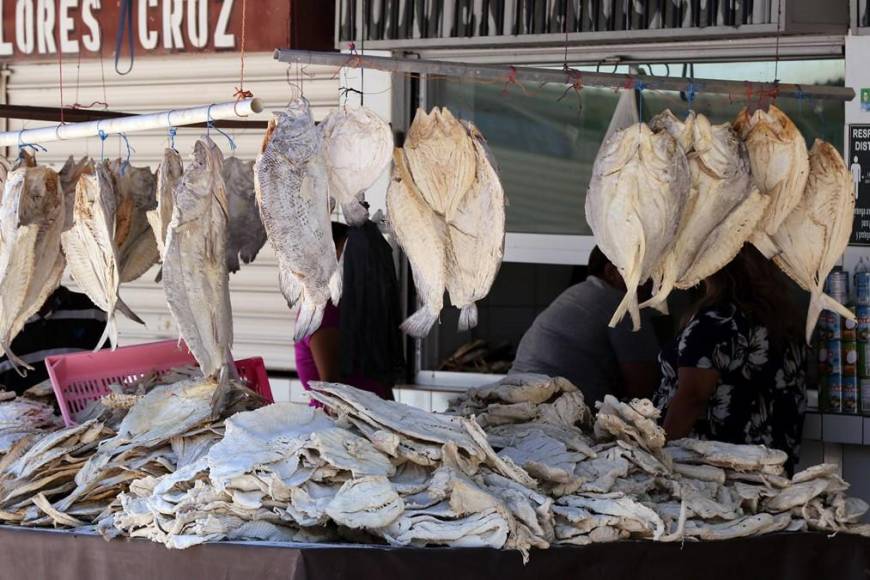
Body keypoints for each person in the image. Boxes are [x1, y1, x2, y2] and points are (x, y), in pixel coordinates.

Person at [653, 244, 807, 473]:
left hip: (713, 469)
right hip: (766, 468)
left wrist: (657, 458)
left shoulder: (716, 322)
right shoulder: (784, 323)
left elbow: (692, 396)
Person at [510, 246, 660, 405]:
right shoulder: (620, 304)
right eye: (644, 271)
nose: (651, 280)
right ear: (611, 271)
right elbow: (643, 386)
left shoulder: (580, 293)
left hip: (518, 396)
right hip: (548, 406)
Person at [295, 220, 404, 402]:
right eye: (350, 254)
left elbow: (379, 380)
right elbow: (332, 391)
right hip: (343, 424)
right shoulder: (323, 310)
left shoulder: (355, 308)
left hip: (373, 420)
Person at [0, 286, 108, 394]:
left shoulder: (92, 309)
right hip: (18, 409)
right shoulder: (3, 322)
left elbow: (110, 375)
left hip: (87, 407)